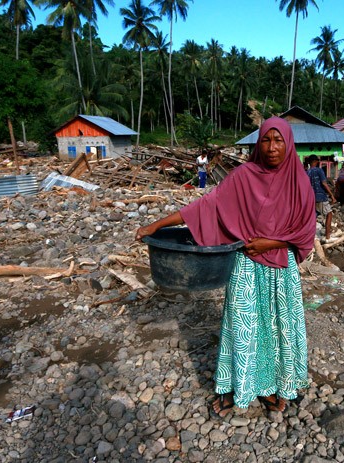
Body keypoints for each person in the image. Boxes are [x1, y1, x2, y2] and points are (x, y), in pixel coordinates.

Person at [135, 117, 315, 417]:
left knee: (276, 327)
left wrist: (270, 244)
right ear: (259, 144)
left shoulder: (299, 182)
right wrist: (155, 225)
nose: (272, 147)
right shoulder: (244, 176)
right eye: (266, 140)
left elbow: (305, 232)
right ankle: (239, 387)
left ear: (289, 143)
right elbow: (206, 206)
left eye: (278, 140)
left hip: (281, 270)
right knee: (242, 328)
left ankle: (272, 387)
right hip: (244, 264)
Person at [305, 155, 336, 241]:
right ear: (316, 161)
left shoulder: (307, 172)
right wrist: (331, 195)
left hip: (311, 197)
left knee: (313, 217)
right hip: (320, 196)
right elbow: (324, 183)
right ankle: (327, 236)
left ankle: (309, 237)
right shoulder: (319, 170)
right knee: (329, 214)